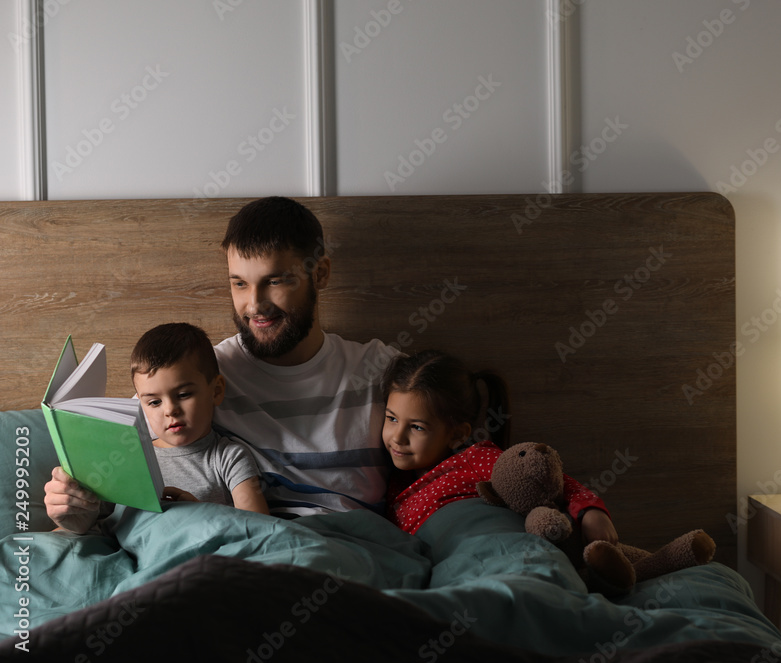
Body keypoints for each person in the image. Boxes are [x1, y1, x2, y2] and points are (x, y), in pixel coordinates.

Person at [46, 196, 399, 523]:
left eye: (275, 281)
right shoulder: (199, 375)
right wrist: (72, 497)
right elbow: (124, 440)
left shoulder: (381, 371)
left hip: (352, 547)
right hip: (243, 553)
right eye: (240, 284)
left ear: (319, 274)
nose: (255, 305)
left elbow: (450, 448)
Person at [44, 323, 269, 533]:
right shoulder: (122, 457)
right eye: (154, 402)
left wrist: (200, 513)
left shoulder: (229, 458)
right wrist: (70, 516)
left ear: (216, 391)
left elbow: (259, 529)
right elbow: (92, 526)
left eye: (183, 395)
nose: (170, 410)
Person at [381, 349, 619, 543]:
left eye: (417, 427)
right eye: (391, 419)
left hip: (493, 545)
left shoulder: (474, 459)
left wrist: (590, 511)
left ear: (457, 435)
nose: (397, 437)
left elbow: (544, 476)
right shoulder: (390, 481)